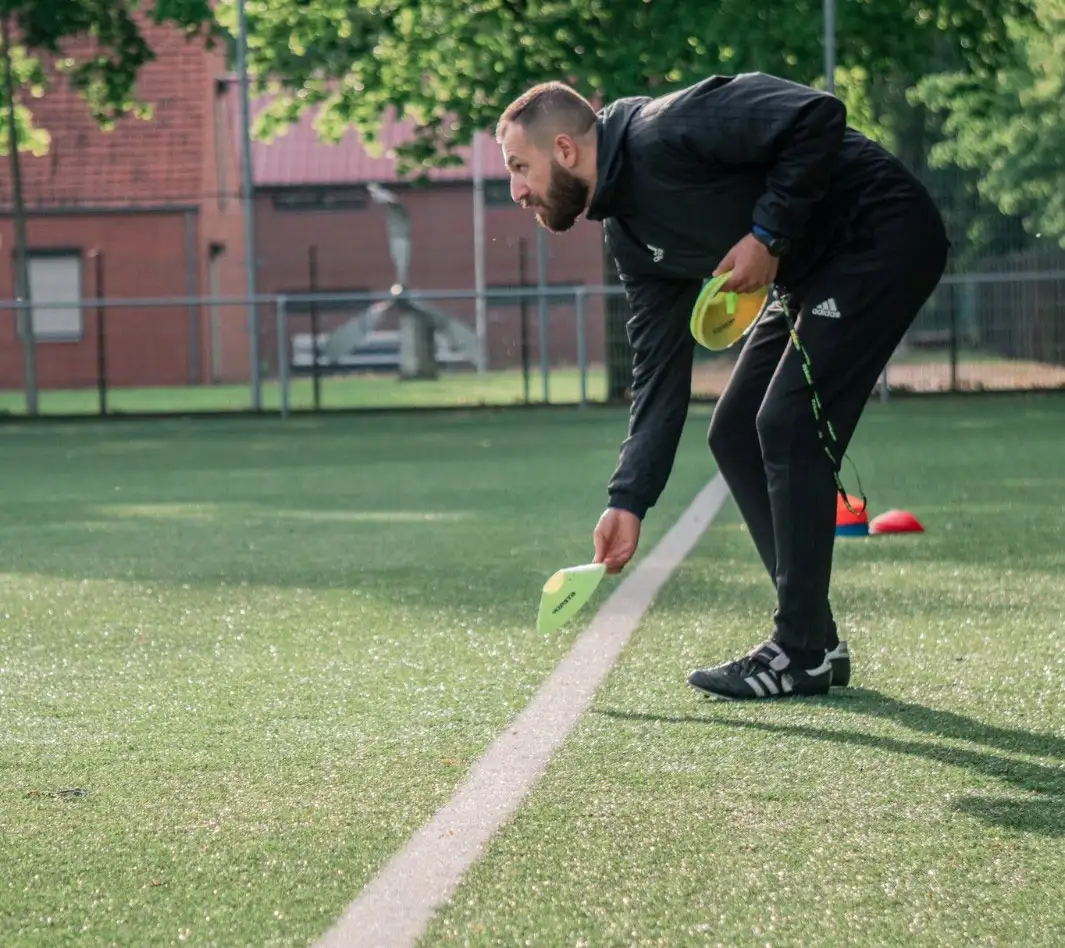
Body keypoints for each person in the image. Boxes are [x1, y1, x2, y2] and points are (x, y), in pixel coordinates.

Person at [495, 72, 949, 700]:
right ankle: (816, 641)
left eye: (520, 167)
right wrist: (628, 500)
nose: (516, 190)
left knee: (786, 422)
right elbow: (657, 373)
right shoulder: (630, 236)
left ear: (566, 150)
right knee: (735, 431)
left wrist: (768, 234)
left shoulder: (668, 126)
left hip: (881, 233)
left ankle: (798, 652)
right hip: (809, 273)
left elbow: (817, 115)